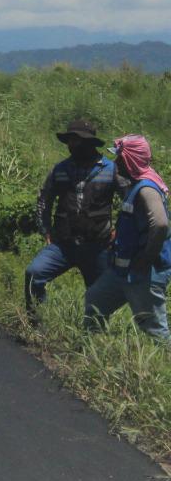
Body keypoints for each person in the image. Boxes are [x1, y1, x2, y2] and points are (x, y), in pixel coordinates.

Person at [23, 119, 118, 314]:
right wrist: (46, 230)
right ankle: (36, 322)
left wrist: (120, 232)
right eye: (70, 140)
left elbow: (130, 202)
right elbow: (44, 200)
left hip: (97, 246)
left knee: (98, 298)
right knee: (34, 273)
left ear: (90, 143)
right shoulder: (60, 170)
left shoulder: (110, 170)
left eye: (77, 140)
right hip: (63, 244)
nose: (72, 145)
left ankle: (93, 337)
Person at [84, 135, 170, 344]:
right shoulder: (135, 185)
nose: (115, 163)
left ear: (130, 159)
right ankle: (90, 351)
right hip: (122, 271)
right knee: (95, 301)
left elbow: (160, 224)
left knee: (155, 331)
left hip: (142, 275)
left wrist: (146, 258)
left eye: (119, 158)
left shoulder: (147, 188)